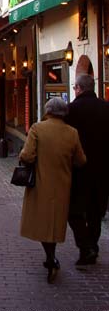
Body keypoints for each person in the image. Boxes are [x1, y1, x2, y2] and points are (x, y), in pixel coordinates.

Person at [19, 97, 86, 284]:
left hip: (41, 184)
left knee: (43, 223)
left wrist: (24, 156)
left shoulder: (37, 128)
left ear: (48, 111)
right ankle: (51, 257)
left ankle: (50, 258)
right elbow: (81, 160)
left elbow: (27, 155)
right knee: (54, 223)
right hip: (63, 185)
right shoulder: (72, 132)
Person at [66, 73, 109, 266]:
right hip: (102, 170)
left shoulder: (71, 110)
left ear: (79, 88)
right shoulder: (106, 108)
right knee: (96, 211)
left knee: (74, 211)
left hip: (78, 170)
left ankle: (85, 247)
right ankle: (93, 245)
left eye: (75, 88)